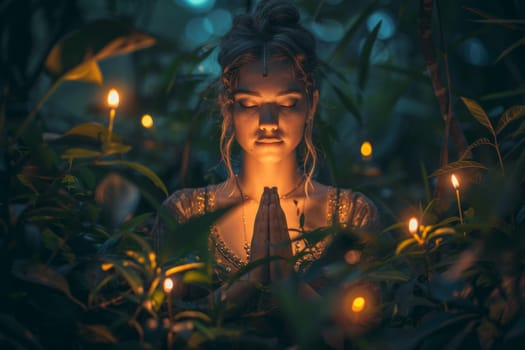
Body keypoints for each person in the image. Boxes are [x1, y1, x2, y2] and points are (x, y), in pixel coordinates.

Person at [152, 0, 379, 320]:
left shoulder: (352, 217)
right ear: (227, 106)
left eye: (286, 103)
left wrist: (289, 283)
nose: (268, 121)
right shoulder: (184, 216)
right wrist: (245, 285)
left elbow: (365, 332)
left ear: (311, 104)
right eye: (249, 104)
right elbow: (161, 324)